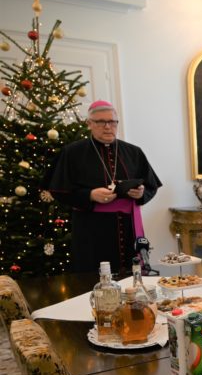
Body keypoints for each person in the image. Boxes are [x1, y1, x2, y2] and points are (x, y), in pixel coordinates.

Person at [47, 100, 162, 275]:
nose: (108, 127)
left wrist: (141, 193)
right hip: (91, 228)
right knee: (94, 276)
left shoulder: (133, 152)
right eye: (101, 122)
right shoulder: (72, 152)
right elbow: (59, 190)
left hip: (129, 227)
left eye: (112, 122)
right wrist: (90, 195)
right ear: (89, 123)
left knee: (131, 275)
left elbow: (150, 186)